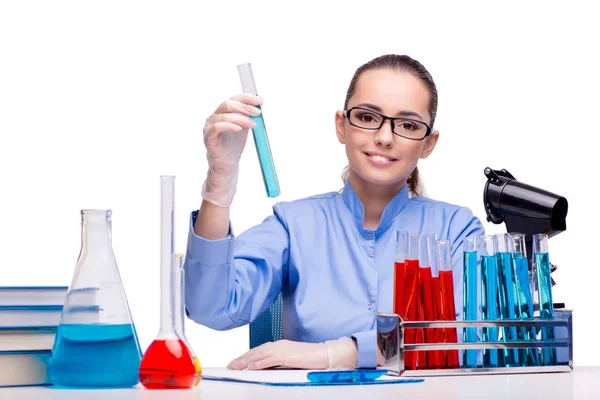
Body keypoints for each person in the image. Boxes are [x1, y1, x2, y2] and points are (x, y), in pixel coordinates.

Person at [184, 54, 485, 371]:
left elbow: (461, 339)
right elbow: (210, 306)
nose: (384, 137)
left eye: (408, 125)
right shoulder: (293, 225)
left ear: (428, 143)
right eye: (368, 118)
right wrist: (220, 181)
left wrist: (340, 353)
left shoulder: (456, 229)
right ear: (342, 126)